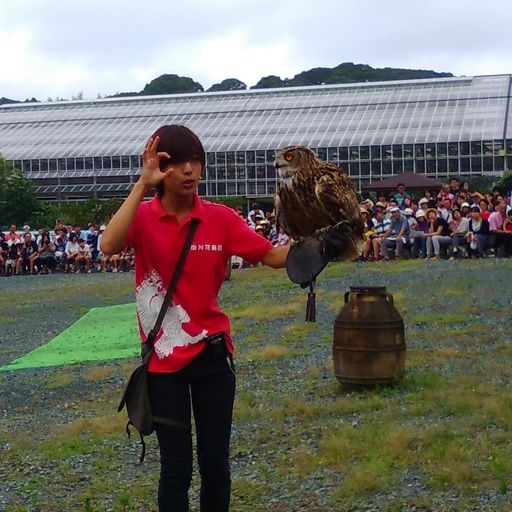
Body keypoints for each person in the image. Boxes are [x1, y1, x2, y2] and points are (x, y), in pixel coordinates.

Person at [101, 125, 290, 512]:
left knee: (215, 463)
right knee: (176, 467)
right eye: (178, 163)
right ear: (162, 169)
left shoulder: (220, 219)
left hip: (212, 355)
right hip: (164, 361)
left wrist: (321, 245)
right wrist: (142, 183)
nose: (189, 171)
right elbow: (108, 245)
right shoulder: (144, 216)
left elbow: (272, 257)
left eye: (195, 162)